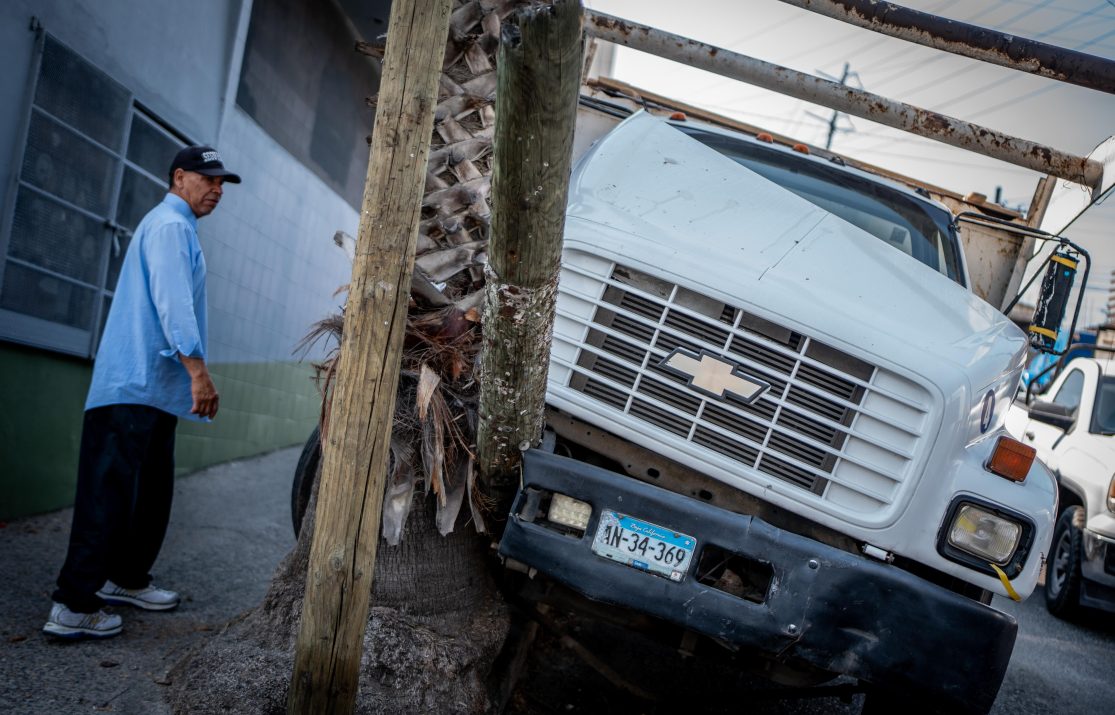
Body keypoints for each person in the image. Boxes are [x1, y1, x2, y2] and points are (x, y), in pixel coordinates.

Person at [43, 146, 241, 639]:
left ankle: (125, 578)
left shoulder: (179, 226)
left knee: (149, 497)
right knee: (108, 496)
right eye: (209, 180)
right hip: (132, 387)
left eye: (222, 183)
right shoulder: (170, 226)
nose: (217, 190)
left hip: (153, 392)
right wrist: (198, 371)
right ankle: (72, 604)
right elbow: (173, 303)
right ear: (179, 177)